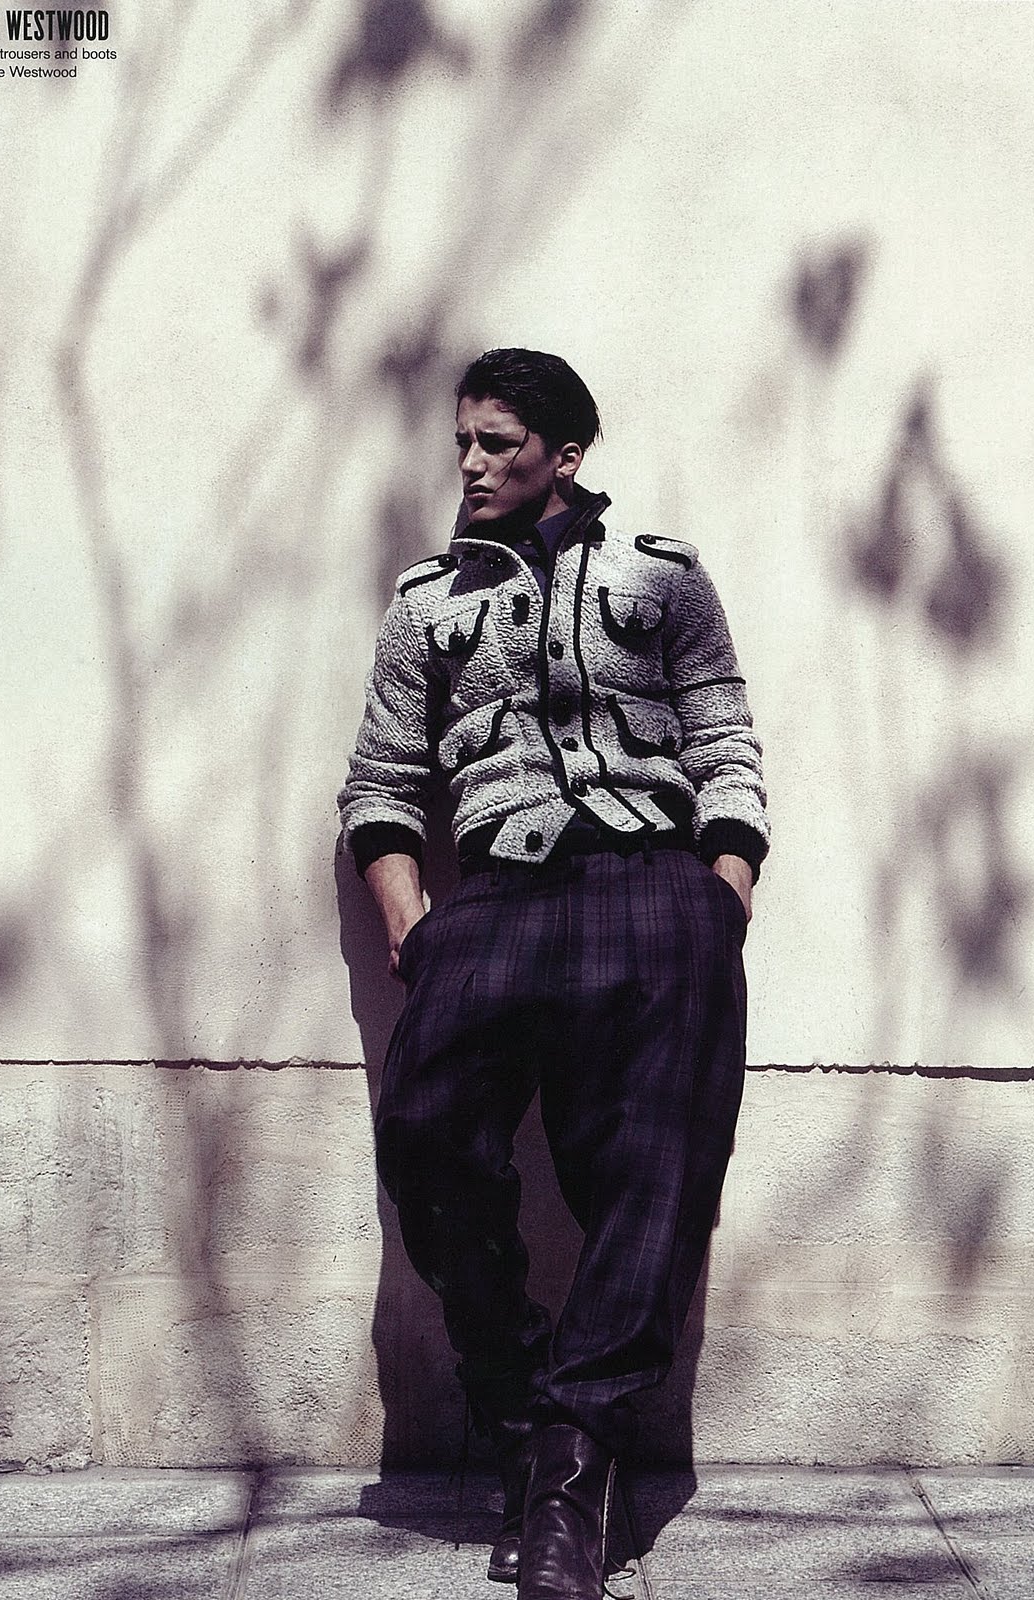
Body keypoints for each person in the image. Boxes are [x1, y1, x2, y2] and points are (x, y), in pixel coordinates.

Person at [339, 348, 769, 1599]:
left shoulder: (661, 577)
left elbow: (725, 741)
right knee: (425, 1133)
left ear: (563, 456)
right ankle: (525, 1415)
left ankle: (574, 1467)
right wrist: (414, 924)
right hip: (496, 899)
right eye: (462, 443)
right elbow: (380, 785)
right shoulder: (425, 603)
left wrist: (721, 895)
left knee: (656, 1168)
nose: (470, 465)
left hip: (656, 891)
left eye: (498, 443)